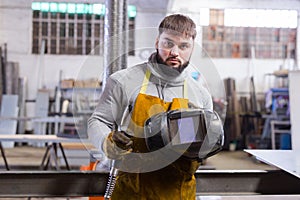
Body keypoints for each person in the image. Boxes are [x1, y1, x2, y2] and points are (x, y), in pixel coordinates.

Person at [88, 14, 213, 200]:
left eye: (183, 46)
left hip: (178, 193)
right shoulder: (125, 81)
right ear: (157, 42)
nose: (174, 52)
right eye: (168, 43)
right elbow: (97, 121)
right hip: (132, 192)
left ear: (192, 48)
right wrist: (107, 142)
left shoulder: (200, 95)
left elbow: (202, 148)